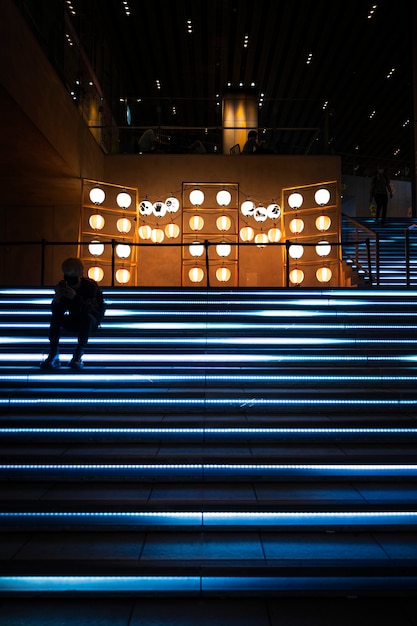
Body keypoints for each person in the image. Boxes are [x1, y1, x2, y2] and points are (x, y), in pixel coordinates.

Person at [40, 257, 105, 370]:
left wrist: (75, 298)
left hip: (90, 321)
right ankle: (54, 352)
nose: (70, 280)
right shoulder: (64, 286)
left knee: (87, 318)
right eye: (67, 276)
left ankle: (78, 355)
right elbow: (57, 312)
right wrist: (57, 299)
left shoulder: (90, 286)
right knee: (56, 317)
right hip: (74, 319)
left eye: (73, 277)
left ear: (81, 274)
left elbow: (90, 310)